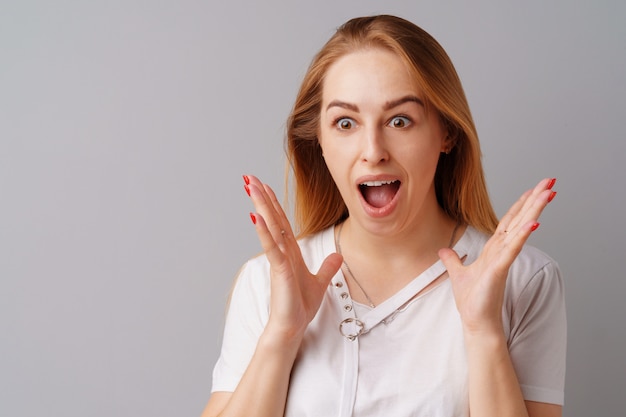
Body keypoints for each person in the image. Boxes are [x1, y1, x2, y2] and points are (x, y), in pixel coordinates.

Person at [201, 14, 566, 417]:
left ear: (447, 134)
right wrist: (281, 335)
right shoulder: (270, 280)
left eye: (399, 120)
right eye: (345, 123)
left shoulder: (523, 280)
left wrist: (484, 333)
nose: (373, 150)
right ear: (319, 141)